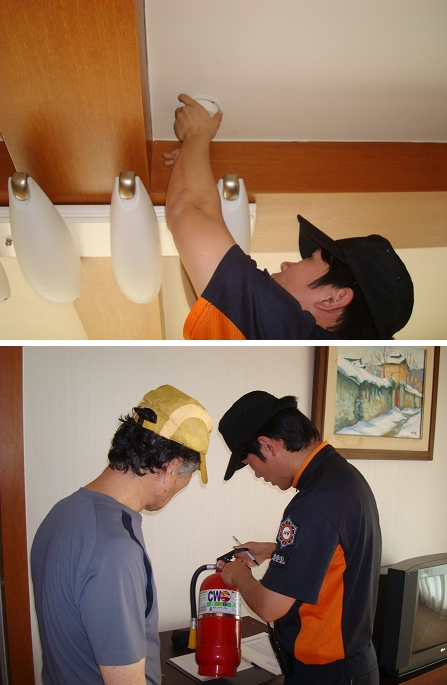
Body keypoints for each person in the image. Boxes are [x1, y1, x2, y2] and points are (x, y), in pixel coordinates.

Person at [164, 94, 414, 340]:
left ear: (333, 299)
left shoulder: (285, 329)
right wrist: (191, 166)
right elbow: (208, 298)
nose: (286, 264)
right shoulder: (286, 337)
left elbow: (189, 211)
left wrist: (197, 134)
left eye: (310, 258)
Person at [31, 385, 213, 685]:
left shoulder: (63, 512)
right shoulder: (115, 549)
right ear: (171, 467)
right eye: (188, 476)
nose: (183, 486)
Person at [218, 390, 381, 685]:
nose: (257, 475)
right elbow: (337, 554)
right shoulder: (341, 478)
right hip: (353, 663)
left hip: (328, 672)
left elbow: (269, 606)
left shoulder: (312, 504)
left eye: (250, 463)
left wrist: (237, 575)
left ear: (267, 445)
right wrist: (275, 549)